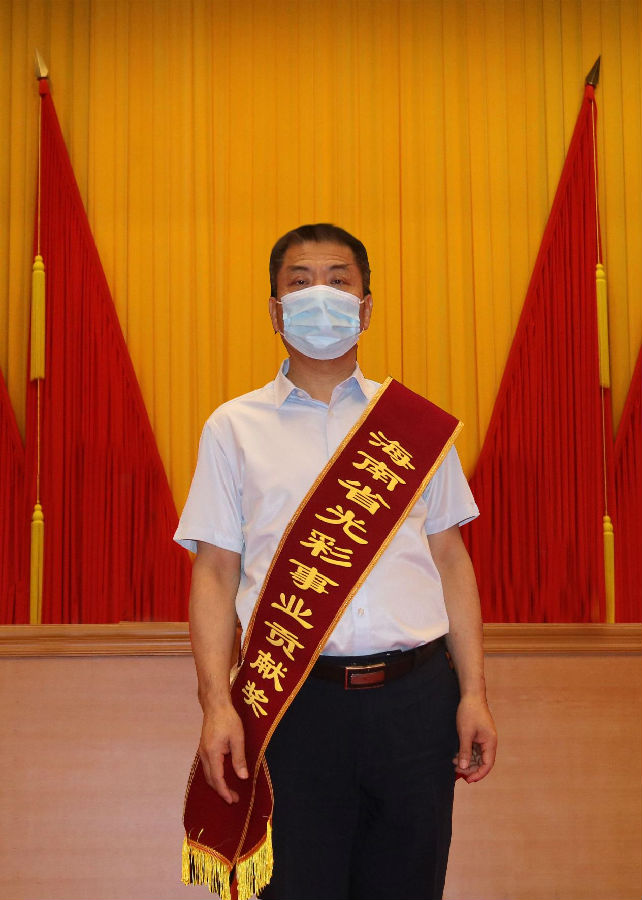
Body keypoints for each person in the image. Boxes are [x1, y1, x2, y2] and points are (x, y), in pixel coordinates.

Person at [175, 223, 497, 900]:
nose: (319, 295)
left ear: (366, 306)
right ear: (275, 310)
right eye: (300, 282)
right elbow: (214, 573)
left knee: (408, 885)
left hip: (416, 701)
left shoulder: (416, 427)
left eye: (338, 280)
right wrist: (215, 703)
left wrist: (473, 693)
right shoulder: (232, 428)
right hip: (294, 704)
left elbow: (451, 561)